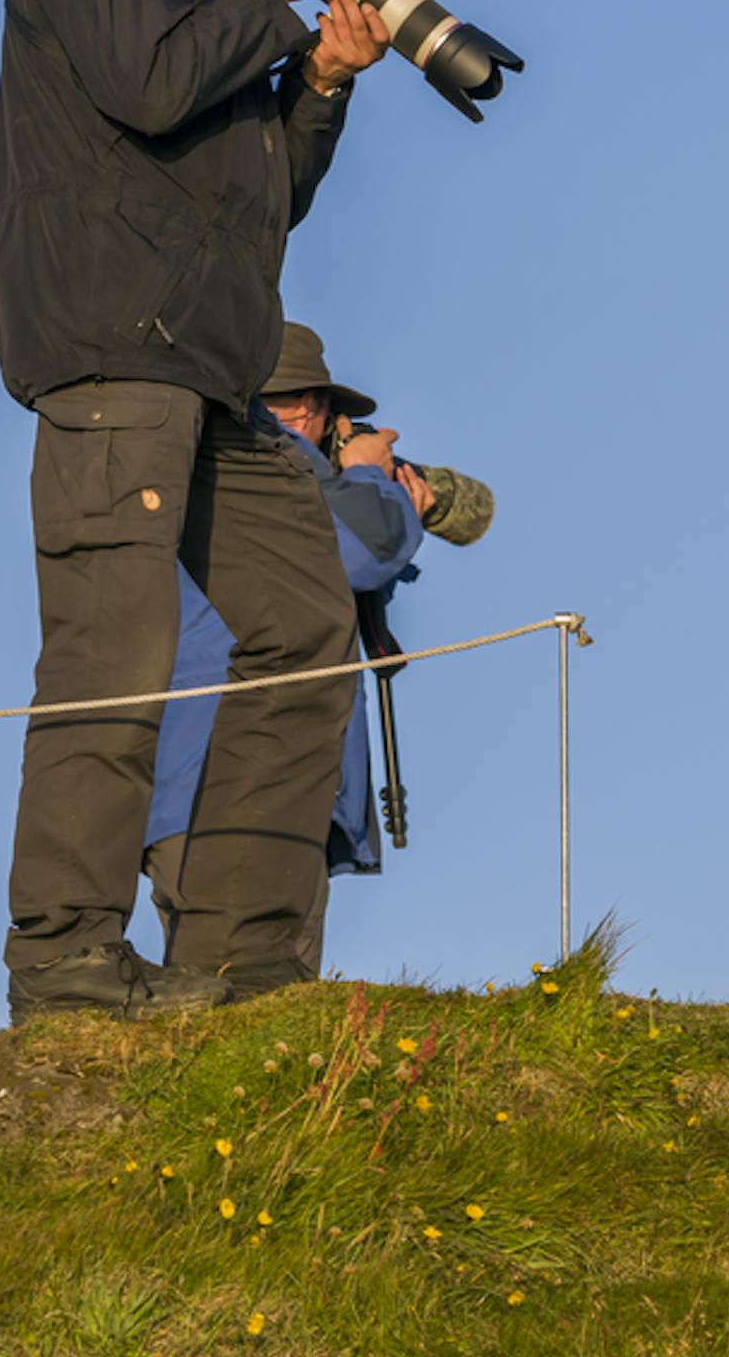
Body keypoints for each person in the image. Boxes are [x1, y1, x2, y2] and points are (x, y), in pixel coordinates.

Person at [0, 0, 395, 1020]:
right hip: (116, 356)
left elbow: (255, 199)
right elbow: (152, 85)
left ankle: (240, 962)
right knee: (115, 656)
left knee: (307, 629)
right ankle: (65, 956)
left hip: (214, 374)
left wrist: (319, 78)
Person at [143, 324, 490, 977]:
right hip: (259, 769)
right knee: (256, 986)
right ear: (310, 407)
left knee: (205, 994)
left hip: (183, 776)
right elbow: (367, 549)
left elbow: (472, 510)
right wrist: (371, 477)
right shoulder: (282, 477)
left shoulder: (191, 468)